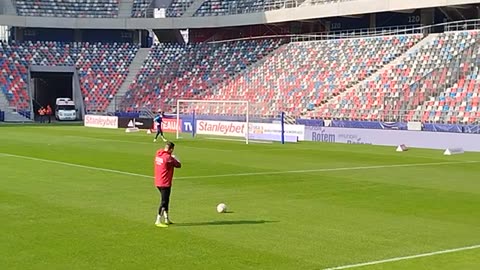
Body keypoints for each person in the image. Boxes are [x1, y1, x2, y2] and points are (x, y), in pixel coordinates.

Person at [154, 141, 182, 228]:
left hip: (158, 181)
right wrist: (175, 158)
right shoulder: (168, 158)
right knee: (164, 201)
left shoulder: (159, 154)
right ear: (171, 149)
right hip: (165, 183)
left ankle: (166, 219)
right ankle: (158, 220)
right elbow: (178, 165)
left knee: (166, 200)